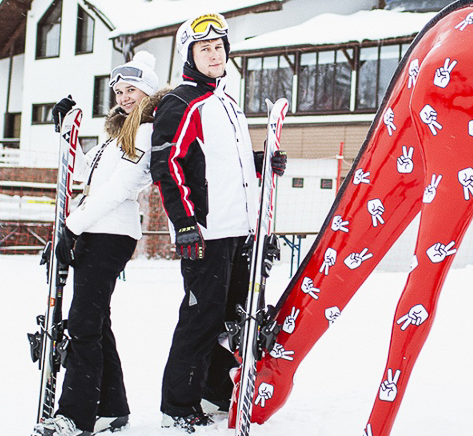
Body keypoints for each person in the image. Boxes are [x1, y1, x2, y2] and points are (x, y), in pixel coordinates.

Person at [149, 13, 286, 433]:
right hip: (205, 233)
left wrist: (261, 163)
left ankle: (211, 390)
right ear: (189, 56)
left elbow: (227, 167)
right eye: (204, 48)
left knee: (231, 317)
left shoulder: (228, 105)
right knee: (200, 318)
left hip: (236, 230)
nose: (214, 54)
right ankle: (177, 404)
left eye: (219, 47)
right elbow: (167, 164)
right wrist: (185, 221)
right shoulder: (182, 103)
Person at [33, 51, 166, 436]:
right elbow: (77, 172)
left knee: (84, 324)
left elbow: (120, 188)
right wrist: (64, 131)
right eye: (119, 91)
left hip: (111, 234)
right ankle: (112, 406)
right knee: (97, 322)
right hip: (93, 228)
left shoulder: (145, 131)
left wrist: (70, 228)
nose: (124, 97)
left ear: (148, 91)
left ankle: (76, 415)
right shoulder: (115, 134)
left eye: (132, 89)